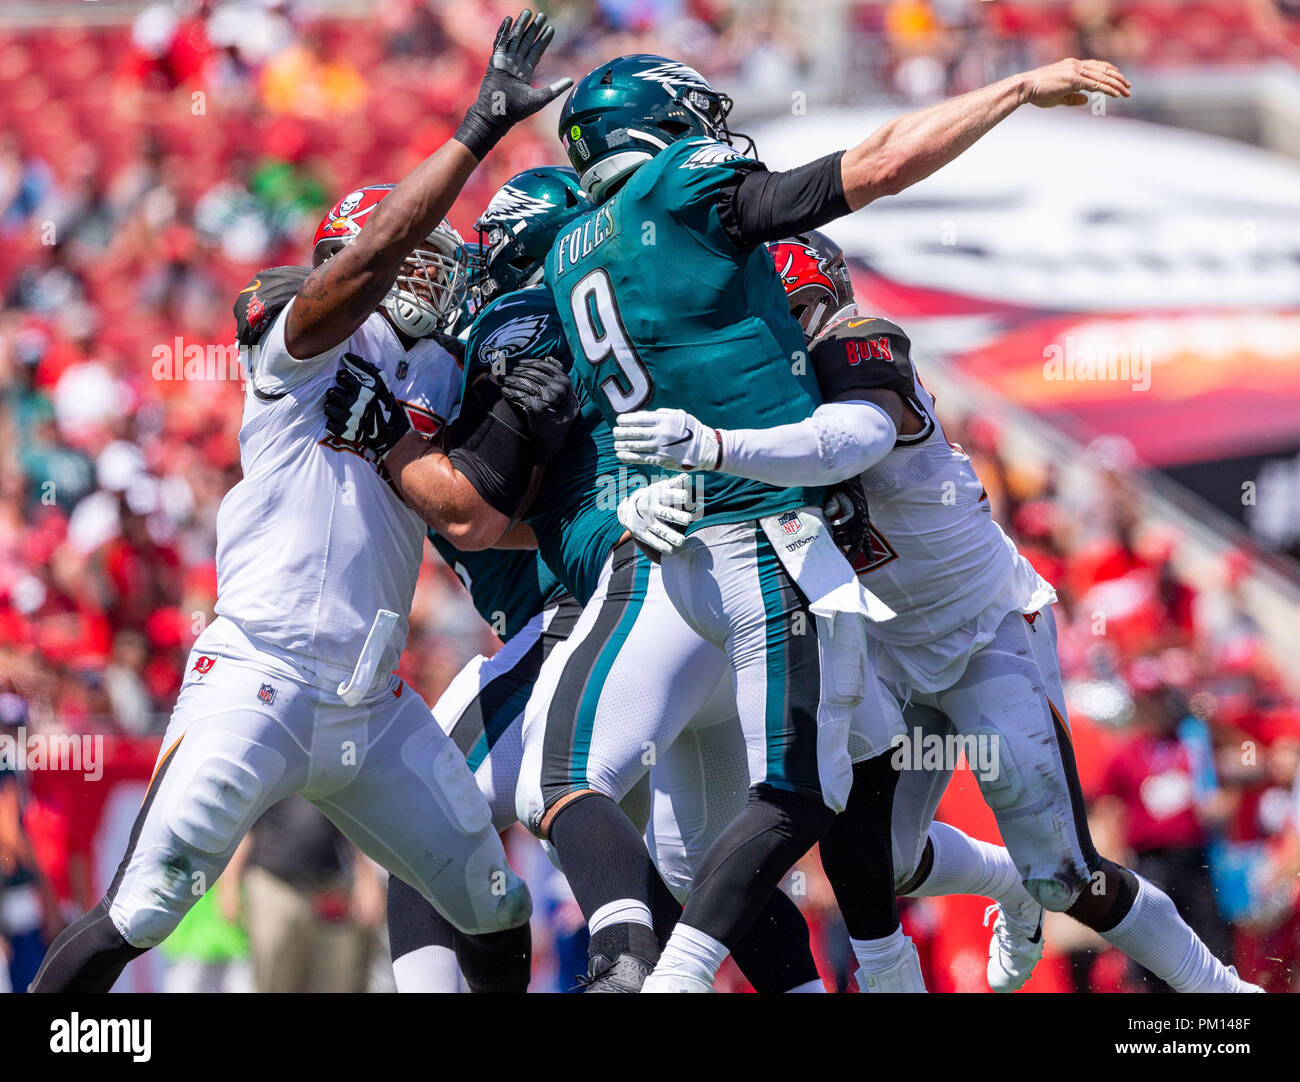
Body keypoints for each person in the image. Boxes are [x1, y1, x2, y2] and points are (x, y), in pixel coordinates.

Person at [29, 9, 573, 994]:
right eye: (410, 258)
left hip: (372, 699)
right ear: (348, 258)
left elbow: (475, 506)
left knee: (494, 908)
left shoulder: (437, 374)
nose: (429, 278)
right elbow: (356, 271)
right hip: (261, 671)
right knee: (145, 904)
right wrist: (472, 134)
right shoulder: (303, 343)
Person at [618, 227, 1262, 994]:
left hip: (987, 631)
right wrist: (655, 496)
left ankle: (1222, 994)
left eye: (797, 315)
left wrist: (716, 445)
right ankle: (1003, 883)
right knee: (878, 861)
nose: (786, 339)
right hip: (889, 654)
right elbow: (735, 493)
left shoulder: (861, 344)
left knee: (1064, 874)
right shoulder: (756, 403)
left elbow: (847, 441)